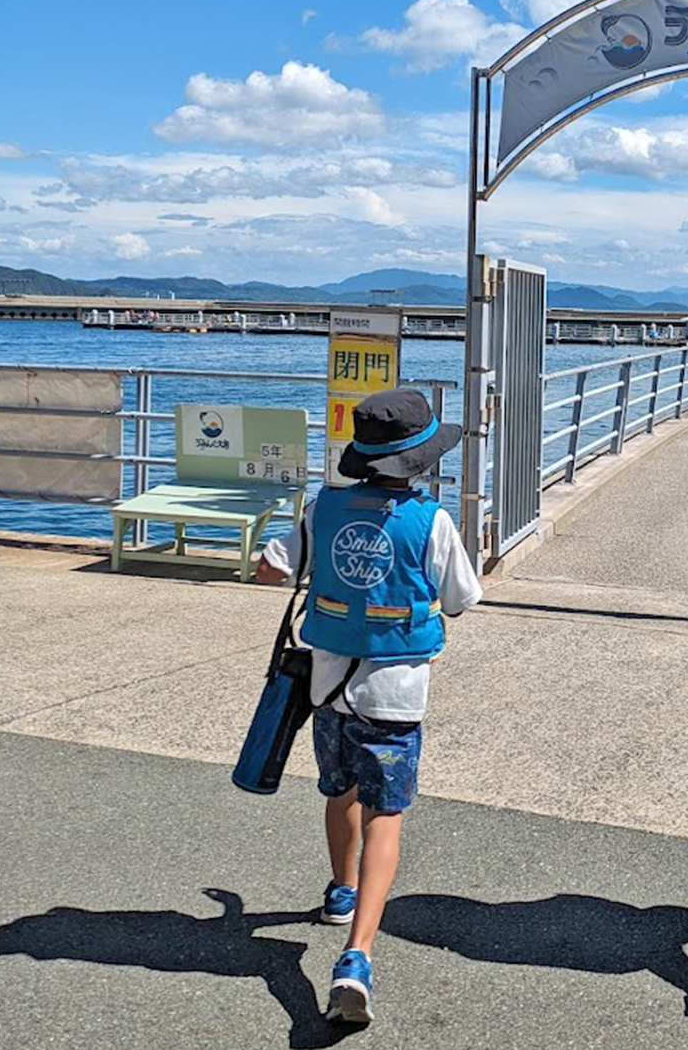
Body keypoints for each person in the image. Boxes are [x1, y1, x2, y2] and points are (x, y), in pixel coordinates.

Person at [254, 387, 481, 1026]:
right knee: (387, 814)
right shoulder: (431, 520)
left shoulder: (323, 507)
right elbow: (464, 597)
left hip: (327, 685)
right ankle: (356, 957)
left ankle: (340, 891)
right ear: (420, 462)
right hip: (396, 692)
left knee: (340, 791)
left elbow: (272, 570)